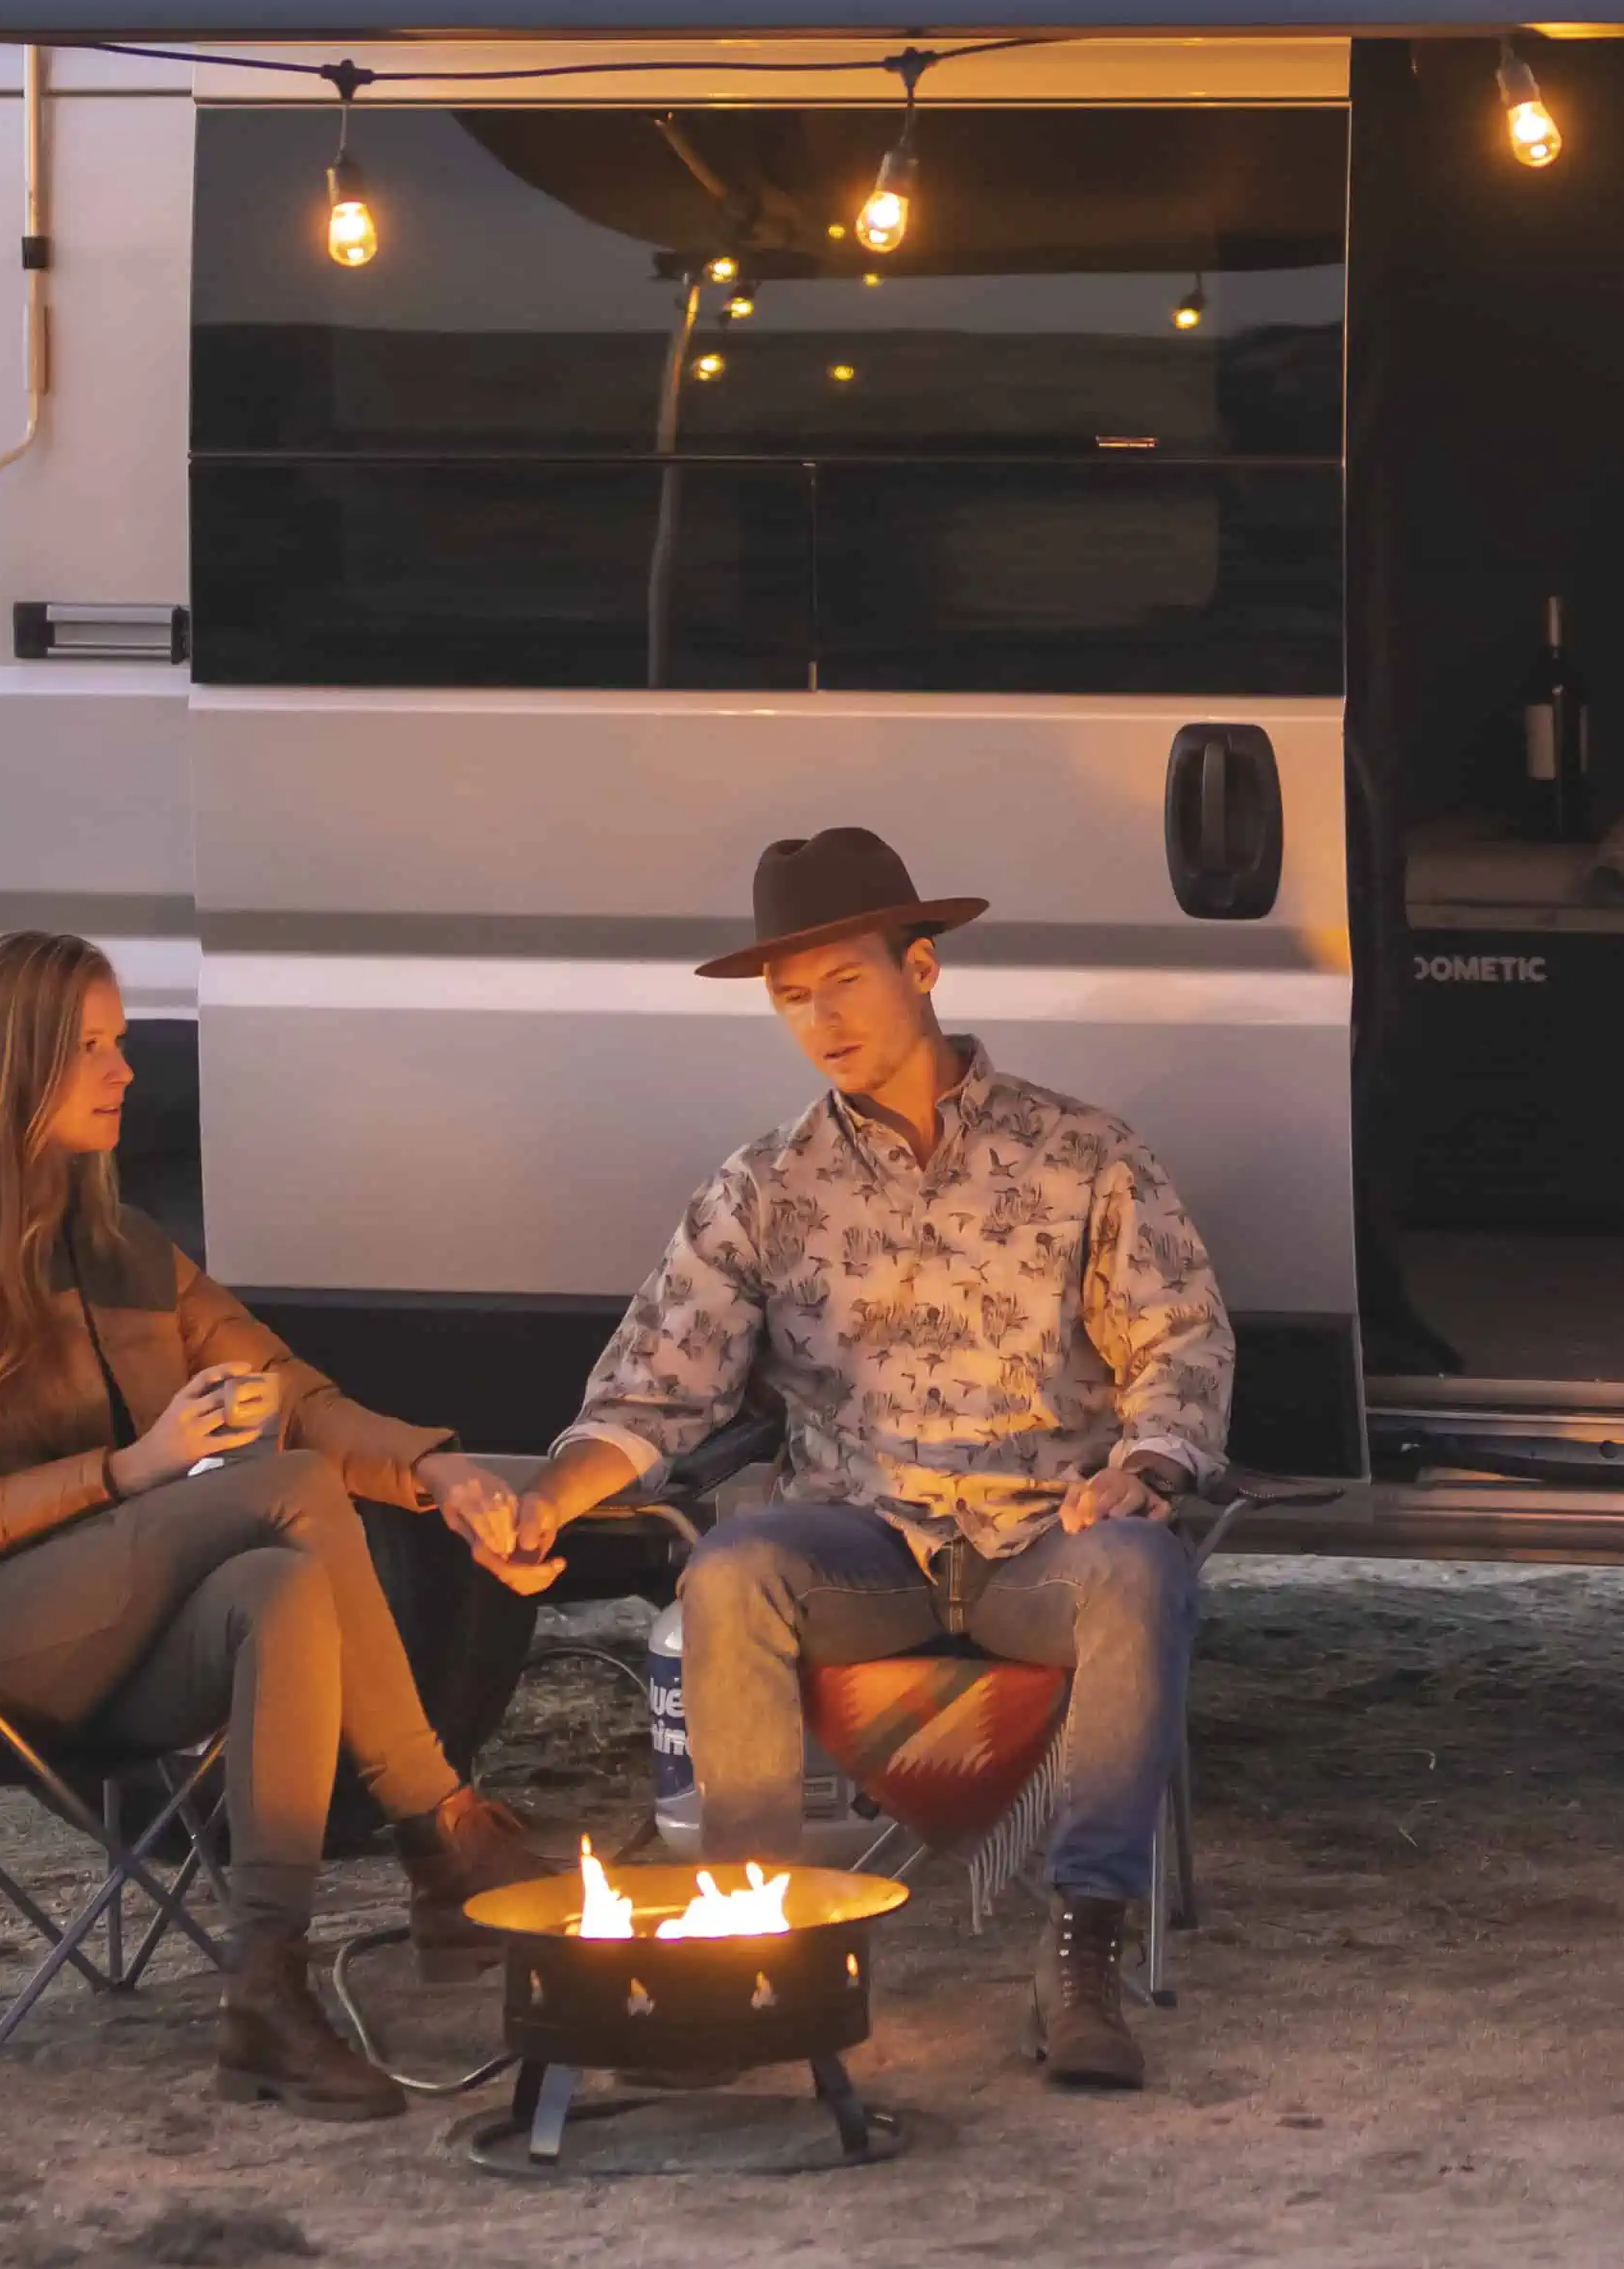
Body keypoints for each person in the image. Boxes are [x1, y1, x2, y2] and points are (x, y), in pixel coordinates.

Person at [473, 828, 1231, 2093]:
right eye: (791, 996)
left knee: (1141, 1572)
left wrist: (1143, 1468)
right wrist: (548, 1501)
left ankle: (1080, 1954)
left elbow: (1178, 1342)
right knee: (729, 1570)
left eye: (843, 981)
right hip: (861, 1549)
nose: (819, 1019)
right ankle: (753, 1936)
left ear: (919, 967)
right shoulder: (765, 1186)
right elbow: (658, 1384)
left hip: (1043, 1542)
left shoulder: (1084, 1154)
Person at [0, 930, 558, 2118]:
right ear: (10, 1063)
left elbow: (299, 1401)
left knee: (279, 1587)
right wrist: (132, 1468)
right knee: (286, 1495)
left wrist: (440, 1472)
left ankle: (267, 1989)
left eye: (117, 1043)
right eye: (90, 1047)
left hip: (103, 1635)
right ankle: (444, 1832)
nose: (124, 1071)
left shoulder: (127, 1254)